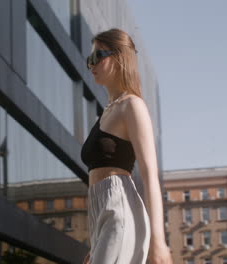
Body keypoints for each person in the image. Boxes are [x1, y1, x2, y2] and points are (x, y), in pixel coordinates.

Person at [80, 28, 173, 264]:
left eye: (98, 56)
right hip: (101, 212)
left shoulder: (132, 105)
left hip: (120, 209)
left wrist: (159, 241)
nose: (92, 64)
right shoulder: (106, 113)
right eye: (89, 59)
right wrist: (98, 241)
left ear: (120, 56)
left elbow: (150, 173)